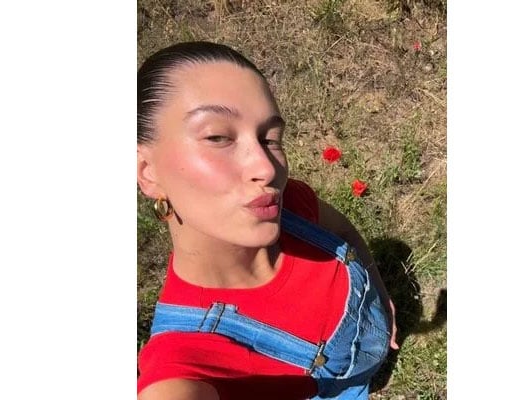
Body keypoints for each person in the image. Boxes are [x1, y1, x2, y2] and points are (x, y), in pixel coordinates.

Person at [136, 41, 398, 400]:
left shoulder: (294, 208)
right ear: (147, 171)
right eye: (217, 137)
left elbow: (343, 231)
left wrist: (380, 294)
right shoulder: (183, 359)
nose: (266, 168)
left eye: (271, 139)